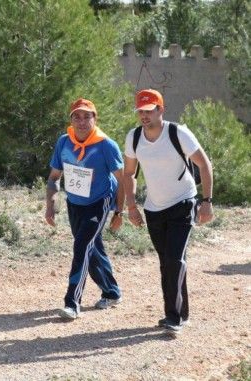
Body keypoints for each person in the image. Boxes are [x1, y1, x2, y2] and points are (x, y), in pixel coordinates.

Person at [123, 89, 214, 336]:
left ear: (160, 110)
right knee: (167, 262)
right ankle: (181, 312)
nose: (144, 115)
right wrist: (131, 206)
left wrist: (206, 201)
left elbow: (204, 164)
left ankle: (172, 317)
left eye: (149, 110)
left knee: (174, 259)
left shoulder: (177, 133)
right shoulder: (133, 138)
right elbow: (129, 173)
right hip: (153, 209)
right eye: (140, 111)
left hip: (183, 203)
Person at [45, 98, 124, 320]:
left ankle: (72, 302)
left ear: (94, 118)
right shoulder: (64, 142)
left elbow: (123, 179)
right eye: (76, 116)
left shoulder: (106, 145)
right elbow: (54, 177)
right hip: (75, 202)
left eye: (86, 116)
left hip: (100, 201)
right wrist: (50, 204)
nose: (81, 121)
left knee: (81, 246)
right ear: (70, 120)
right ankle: (111, 291)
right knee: (92, 247)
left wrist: (119, 212)